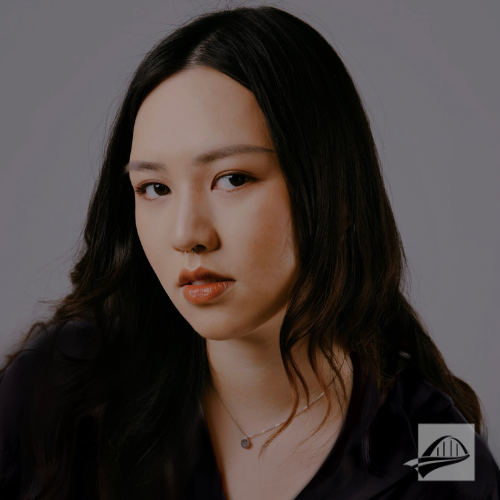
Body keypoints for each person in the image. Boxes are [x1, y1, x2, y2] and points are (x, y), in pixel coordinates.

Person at [0, 5, 498, 500]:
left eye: (233, 179)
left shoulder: (437, 450)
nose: (187, 234)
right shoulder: (58, 386)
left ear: (337, 195)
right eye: (153, 188)